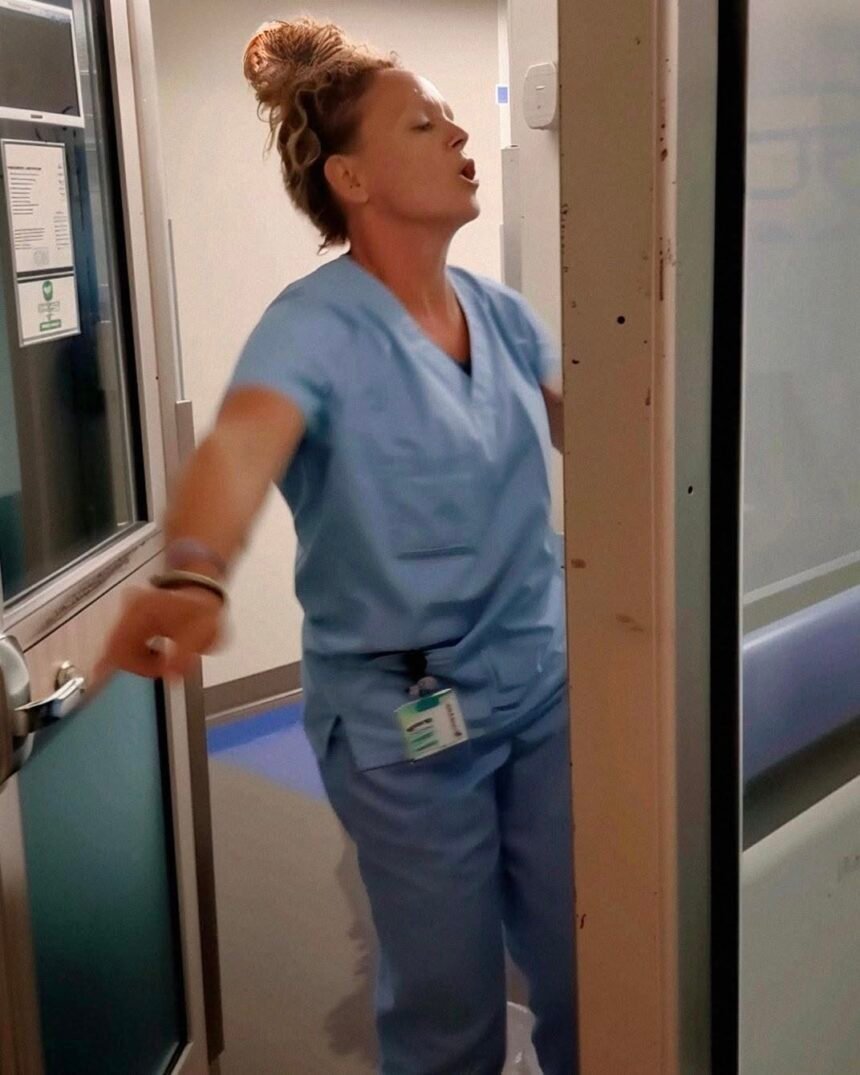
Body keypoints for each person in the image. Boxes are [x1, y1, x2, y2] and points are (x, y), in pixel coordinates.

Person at [100, 17, 576, 1075]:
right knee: (449, 999)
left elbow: (613, 432)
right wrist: (192, 570)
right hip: (406, 722)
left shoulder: (499, 313)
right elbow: (240, 445)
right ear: (351, 179)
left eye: (450, 117)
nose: (460, 134)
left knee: (591, 953)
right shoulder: (313, 326)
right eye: (425, 123)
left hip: (542, 684)